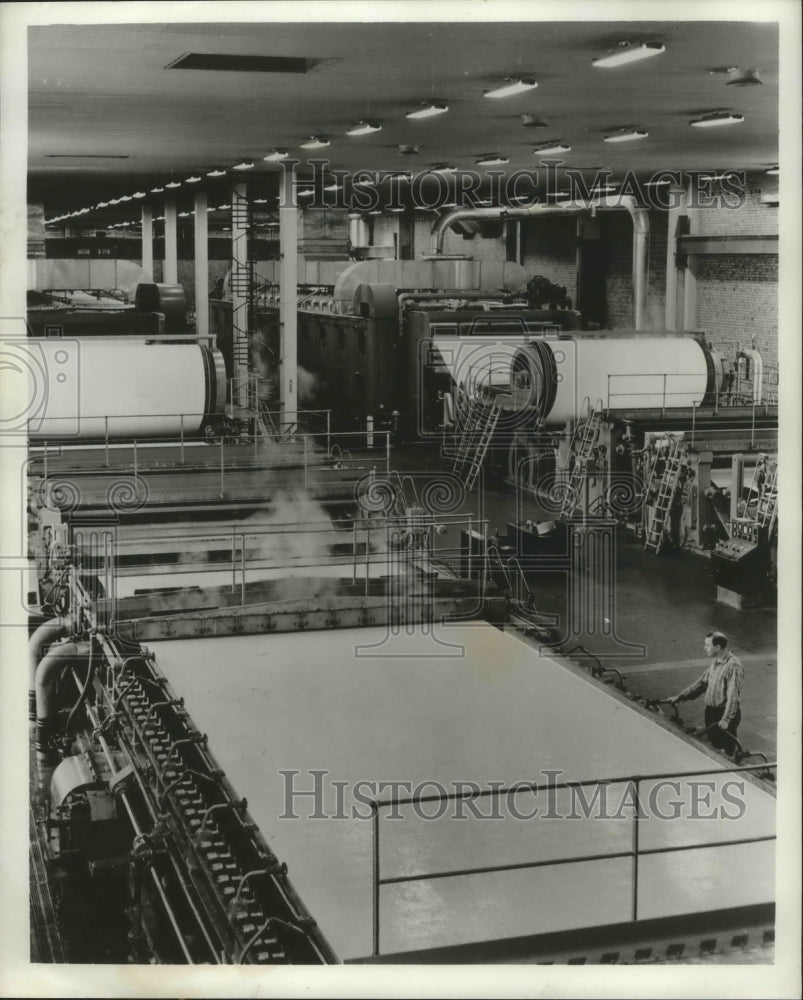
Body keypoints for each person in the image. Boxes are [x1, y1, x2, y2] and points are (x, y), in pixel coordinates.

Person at [668, 632, 744, 753]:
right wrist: (680, 697)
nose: (704, 648)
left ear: (718, 647)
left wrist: (726, 719)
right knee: (714, 746)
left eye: (707, 645)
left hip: (723, 714)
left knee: (724, 752)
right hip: (711, 712)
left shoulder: (733, 666)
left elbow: (733, 697)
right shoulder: (716, 661)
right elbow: (702, 683)